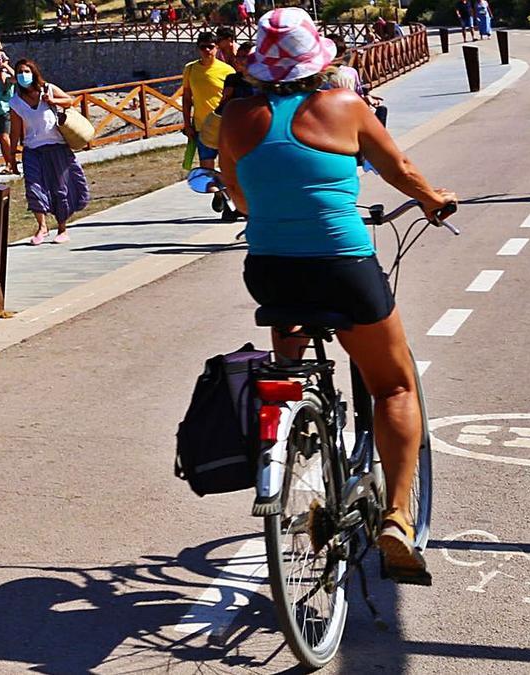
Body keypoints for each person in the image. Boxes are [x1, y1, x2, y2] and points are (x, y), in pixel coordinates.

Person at [219, 8, 456, 580]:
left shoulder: (235, 119)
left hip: (271, 269)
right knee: (394, 384)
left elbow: (239, 196)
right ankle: (397, 519)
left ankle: (290, 412)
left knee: (291, 324)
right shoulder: (345, 107)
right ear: (316, 62)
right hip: (341, 266)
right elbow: (397, 165)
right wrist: (432, 199)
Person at [8, 59, 91, 245]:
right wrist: (11, 156)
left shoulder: (48, 89)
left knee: (60, 189)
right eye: (19, 72)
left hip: (57, 147)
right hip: (32, 150)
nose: (23, 75)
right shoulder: (15, 102)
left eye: (26, 71)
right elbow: (14, 131)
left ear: (34, 72)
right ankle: (42, 227)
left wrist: (53, 101)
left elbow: (70, 101)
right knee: (34, 187)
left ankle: (62, 228)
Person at [182, 31, 235, 176]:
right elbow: (187, 99)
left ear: (216, 47)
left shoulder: (227, 70)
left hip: (223, 125)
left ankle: (230, 194)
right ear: (198, 48)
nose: (206, 50)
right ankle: (217, 196)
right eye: (202, 47)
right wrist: (187, 125)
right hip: (201, 127)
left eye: (210, 47)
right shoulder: (190, 69)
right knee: (207, 170)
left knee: (228, 167)